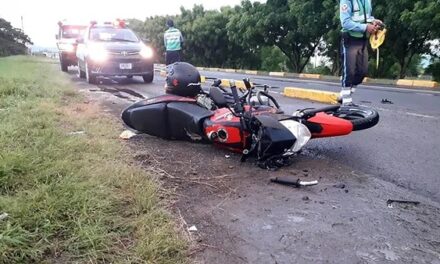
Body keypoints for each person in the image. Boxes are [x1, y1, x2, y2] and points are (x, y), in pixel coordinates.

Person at [339, 0, 382, 105]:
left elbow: (366, 17)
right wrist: (366, 27)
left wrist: (374, 22)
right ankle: (346, 101)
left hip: (362, 40)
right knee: (349, 71)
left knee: (362, 72)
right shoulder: (346, 1)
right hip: (350, 39)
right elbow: (345, 22)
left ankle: (344, 94)